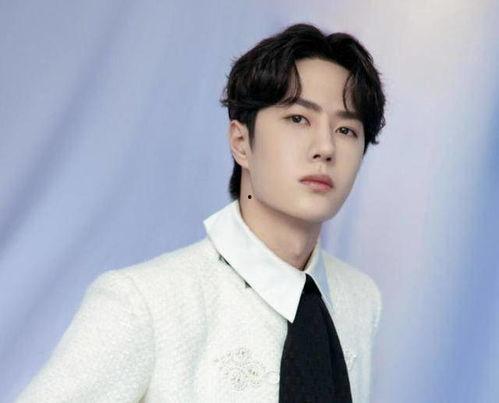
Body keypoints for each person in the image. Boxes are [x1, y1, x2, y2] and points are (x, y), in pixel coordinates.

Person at [16, 22, 386, 402]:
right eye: (298, 119)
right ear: (241, 142)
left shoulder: (360, 299)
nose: (325, 147)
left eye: (346, 130)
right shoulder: (145, 303)